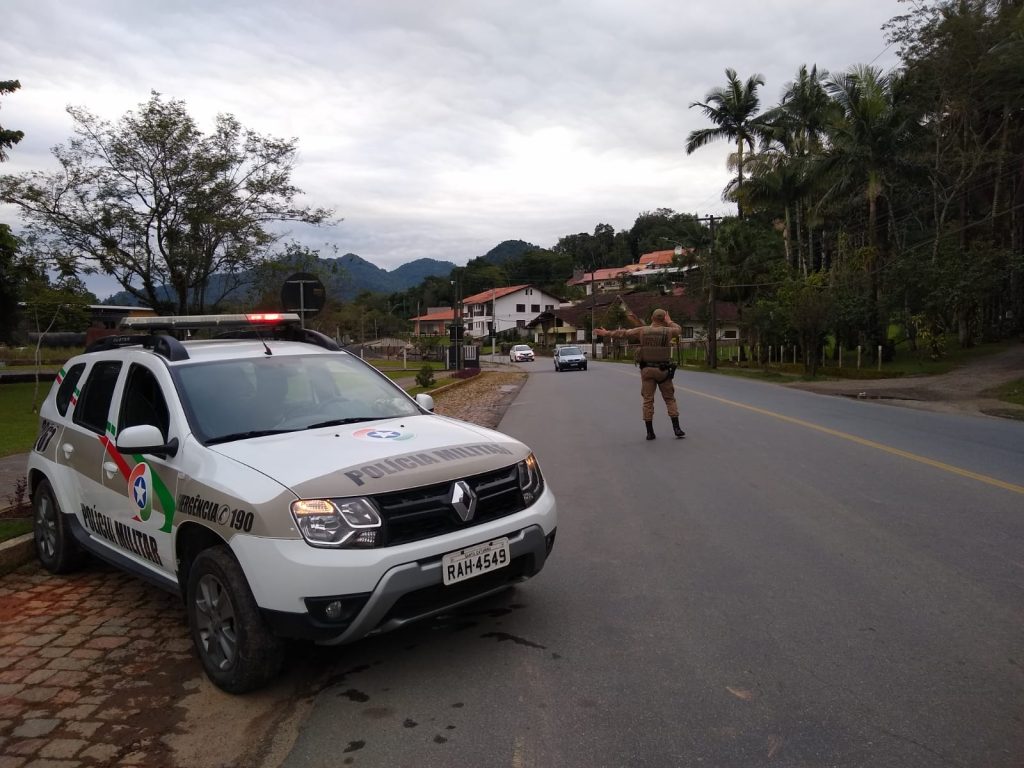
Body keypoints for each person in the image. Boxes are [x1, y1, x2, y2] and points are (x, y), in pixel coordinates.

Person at [596, 308, 685, 440]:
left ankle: (650, 432)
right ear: (663, 319)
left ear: (652, 318)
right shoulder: (669, 331)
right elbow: (679, 329)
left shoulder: (643, 330)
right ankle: (676, 428)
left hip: (647, 370)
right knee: (670, 399)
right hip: (663, 371)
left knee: (648, 401)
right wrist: (670, 321)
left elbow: (623, 333)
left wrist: (606, 333)